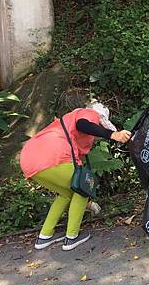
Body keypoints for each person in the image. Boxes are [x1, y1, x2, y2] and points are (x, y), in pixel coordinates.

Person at [20, 103, 131, 251]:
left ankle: (45, 236)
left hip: (29, 159)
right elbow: (83, 124)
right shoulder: (88, 113)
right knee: (82, 189)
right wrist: (112, 134)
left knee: (66, 194)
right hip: (52, 155)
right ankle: (72, 237)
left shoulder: (66, 121)